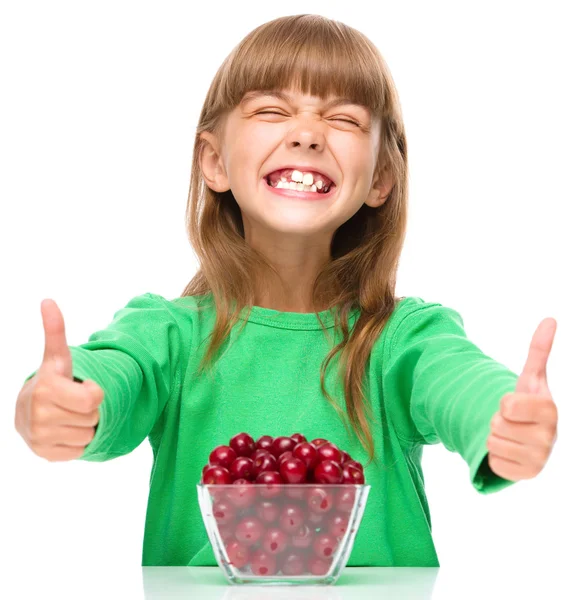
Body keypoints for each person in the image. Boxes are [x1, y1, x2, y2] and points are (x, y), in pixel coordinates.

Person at [14, 14, 558, 569]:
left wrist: (502, 420)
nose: (306, 134)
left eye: (343, 118)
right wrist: (59, 402)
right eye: (271, 111)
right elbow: (111, 373)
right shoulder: (169, 335)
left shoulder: (401, 338)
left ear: (380, 179)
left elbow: (457, 380)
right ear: (214, 161)